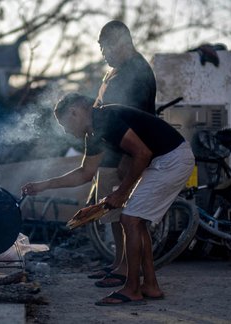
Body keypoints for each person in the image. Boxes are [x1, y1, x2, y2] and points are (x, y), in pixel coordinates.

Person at [21, 93, 195, 306]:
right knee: (135, 221)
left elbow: (142, 153)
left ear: (75, 113)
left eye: (65, 125)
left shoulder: (106, 118)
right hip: (162, 160)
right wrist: (43, 186)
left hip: (172, 159)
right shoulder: (93, 133)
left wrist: (122, 192)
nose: (66, 131)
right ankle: (150, 285)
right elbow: (85, 173)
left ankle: (132, 289)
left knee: (130, 219)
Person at [87, 20, 157, 288]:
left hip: (125, 154)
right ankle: (119, 263)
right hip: (112, 152)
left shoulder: (136, 71)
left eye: (104, 46)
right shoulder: (116, 71)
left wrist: (130, 158)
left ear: (121, 42)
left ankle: (127, 268)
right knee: (114, 215)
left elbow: (138, 119)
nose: (103, 53)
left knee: (127, 216)